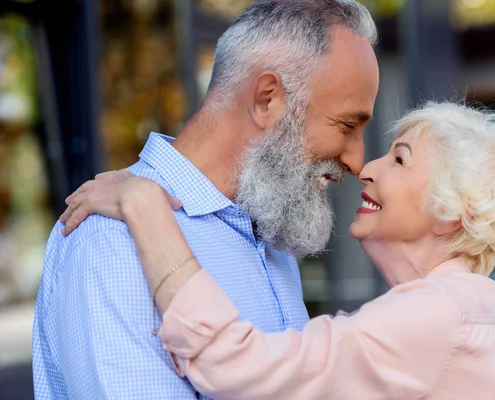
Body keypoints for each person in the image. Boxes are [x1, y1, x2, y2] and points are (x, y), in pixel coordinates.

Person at [62, 101, 495, 399]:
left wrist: (145, 205)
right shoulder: (473, 319)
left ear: (451, 212)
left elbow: (232, 364)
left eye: (401, 160)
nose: (368, 169)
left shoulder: (438, 316)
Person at [31, 1, 379, 398]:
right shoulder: (114, 239)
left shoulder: (265, 229)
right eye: (347, 125)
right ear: (268, 98)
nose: (357, 161)